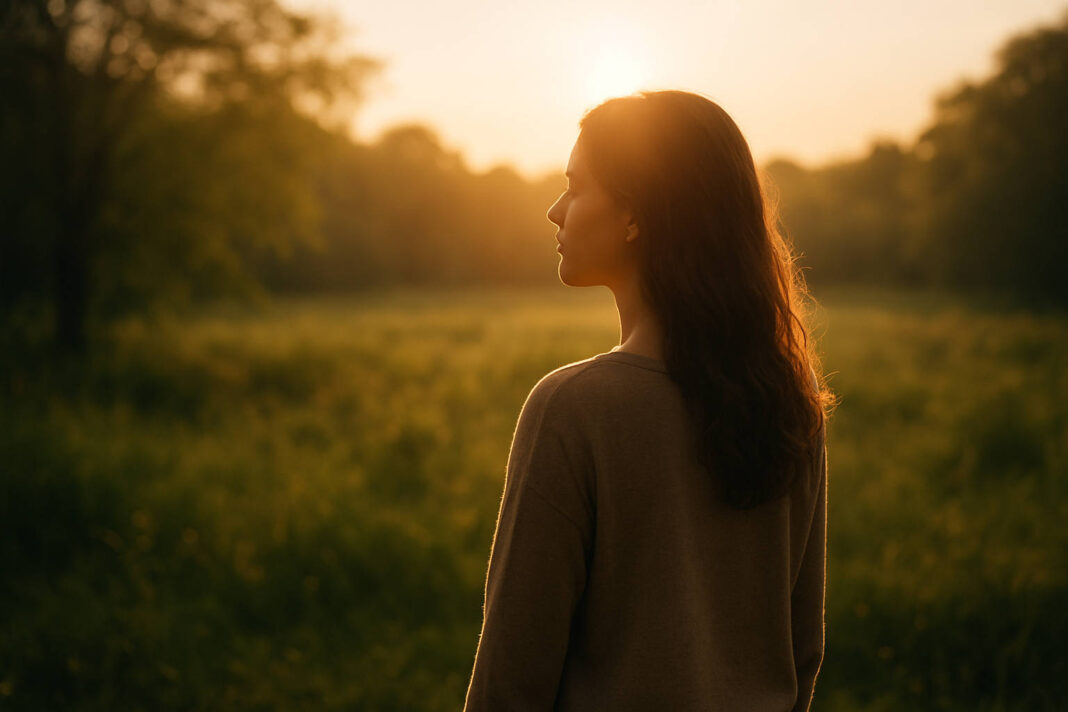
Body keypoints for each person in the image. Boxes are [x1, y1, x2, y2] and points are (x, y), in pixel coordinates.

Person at [463, 90, 834, 711]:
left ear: (634, 216)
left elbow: (511, 679)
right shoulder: (787, 404)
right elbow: (801, 653)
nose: (555, 211)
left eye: (576, 188)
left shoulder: (574, 408)